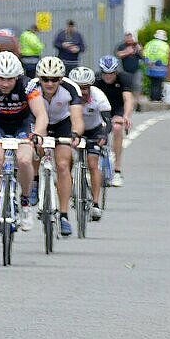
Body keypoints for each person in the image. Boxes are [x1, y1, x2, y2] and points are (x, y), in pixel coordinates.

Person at [0, 51, 48, 234]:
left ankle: (25, 204)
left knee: (25, 160)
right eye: (1, 78)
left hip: (22, 124)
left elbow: (41, 114)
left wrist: (38, 135)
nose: (5, 83)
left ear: (17, 77)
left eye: (10, 79)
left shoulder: (28, 85)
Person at [25, 56, 84, 236]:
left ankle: (64, 215)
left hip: (62, 124)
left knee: (63, 165)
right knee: (37, 148)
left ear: (61, 79)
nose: (49, 83)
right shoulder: (31, 87)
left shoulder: (70, 88)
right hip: (37, 121)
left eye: (54, 79)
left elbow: (77, 119)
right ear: (39, 78)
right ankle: (34, 180)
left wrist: (75, 135)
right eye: (45, 79)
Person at [68, 66, 111, 221]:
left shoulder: (98, 96)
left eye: (85, 88)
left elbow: (107, 120)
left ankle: (95, 203)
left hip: (94, 130)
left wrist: (104, 135)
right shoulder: (68, 97)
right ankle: (72, 190)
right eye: (78, 88)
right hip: (73, 130)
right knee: (66, 162)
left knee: (93, 164)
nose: (82, 92)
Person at [94, 55, 133, 187]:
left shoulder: (124, 79)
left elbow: (128, 99)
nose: (108, 77)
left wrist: (126, 116)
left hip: (117, 110)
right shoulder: (96, 80)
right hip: (100, 110)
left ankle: (117, 170)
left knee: (117, 129)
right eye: (105, 73)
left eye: (111, 74)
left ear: (116, 72)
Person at [116, 32, 143, 110]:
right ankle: (127, 103)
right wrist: (127, 52)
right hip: (126, 70)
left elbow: (142, 56)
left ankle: (138, 103)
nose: (129, 39)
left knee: (137, 85)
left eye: (130, 38)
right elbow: (119, 55)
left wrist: (140, 50)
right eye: (127, 38)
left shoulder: (136, 45)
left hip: (136, 70)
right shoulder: (122, 46)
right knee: (126, 87)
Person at [143, 29, 170, 102]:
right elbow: (164, 56)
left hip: (150, 67)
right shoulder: (165, 45)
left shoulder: (149, 43)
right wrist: (158, 62)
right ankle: (157, 98)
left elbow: (145, 54)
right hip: (160, 67)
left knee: (152, 83)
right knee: (158, 83)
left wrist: (148, 62)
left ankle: (152, 97)